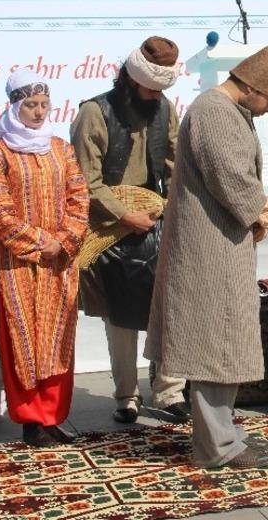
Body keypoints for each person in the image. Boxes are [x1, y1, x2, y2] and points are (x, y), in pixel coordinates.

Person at [145, 45, 268, 470]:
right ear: (253, 86)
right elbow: (230, 176)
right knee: (213, 346)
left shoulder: (224, 110)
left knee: (223, 344)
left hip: (220, 244)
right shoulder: (215, 112)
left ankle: (225, 435)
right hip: (209, 249)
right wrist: (260, 208)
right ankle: (217, 448)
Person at [70, 37, 189, 424]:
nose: (156, 97)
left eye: (161, 90)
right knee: (120, 316)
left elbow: (176, 167)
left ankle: (170, 392)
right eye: (151, 89)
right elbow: (84, 179)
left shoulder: (164, 108)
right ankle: (126, 396)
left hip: (156, 223)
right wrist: (124, 215)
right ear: (130, 80)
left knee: (169, 309)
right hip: (111, 229)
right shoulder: (94, 112)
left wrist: (171, 210)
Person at [0, 70, 89, 447]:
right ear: (15, 106)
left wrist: (64, 242)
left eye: (43, 104)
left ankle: (53, 416)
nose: (39, 112)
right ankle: (30, 421)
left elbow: (79, 197)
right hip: (19, 265)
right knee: (24, 338)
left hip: (60, 262)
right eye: (30, 105)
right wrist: (41, 242)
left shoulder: (61, 148)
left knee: (58, 337)